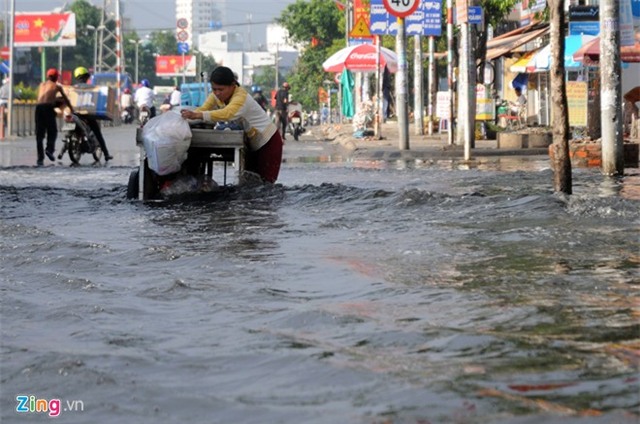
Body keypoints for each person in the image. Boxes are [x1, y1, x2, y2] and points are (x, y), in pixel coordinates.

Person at [180, 66, 283, 183]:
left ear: (233, 85)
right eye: (214, 89)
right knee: (251, 182)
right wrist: (185, 118)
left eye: (221, 89)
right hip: (253, 143)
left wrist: (198, 115)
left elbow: (227, 113)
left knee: (266, 183)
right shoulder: (215, 96)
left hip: (269, 141)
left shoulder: (241, 97)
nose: (217, 93)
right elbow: (202, 109)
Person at [73, 67, 113, 161]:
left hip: (75, 114)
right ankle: (106, 154)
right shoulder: (91, 88)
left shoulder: (73, 88)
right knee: (98, 133)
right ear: (86, 77)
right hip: (88, 114)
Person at [35, 68, 74, 166]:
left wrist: (56, 100)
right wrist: (72, 110)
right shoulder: (57, 86)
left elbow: (44, 98)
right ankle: (49, 150)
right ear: (56, 77)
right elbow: (66, 99)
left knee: (39, 135)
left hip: (39, 108)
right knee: (52, 131)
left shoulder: (41, 85)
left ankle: (40, 158)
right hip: (48, 108)